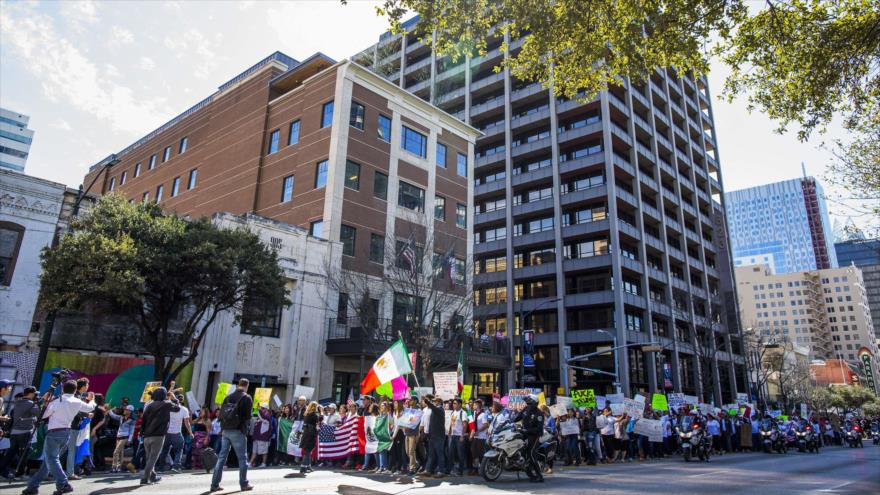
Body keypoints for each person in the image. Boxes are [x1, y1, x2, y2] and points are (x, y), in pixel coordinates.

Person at [21, 380, 96, 495]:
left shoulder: (57, 401)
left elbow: (43, 415)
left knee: (51, 459)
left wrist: (45, 402)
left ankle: (63, 484)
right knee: (49, 462)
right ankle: (32, 486)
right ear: (75, 390)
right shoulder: (77, 401)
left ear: (62, 389)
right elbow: (89, 408)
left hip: (54, 433)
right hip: (67, 433)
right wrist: (92, 400)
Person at [210, 379, 254, 492]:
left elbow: (222, 413)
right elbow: (248, 417)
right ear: (247, 386)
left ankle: (214, 484)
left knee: (221, 458)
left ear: (238, 385)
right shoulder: (247, 397)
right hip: (238, 430)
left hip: (225, 430)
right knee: (242, 458)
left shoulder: (228, 396)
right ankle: (244, 483)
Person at [139, 387, 180, 485]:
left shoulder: (149, 405)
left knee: (149, 458)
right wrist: (174, 399)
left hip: (147, 436)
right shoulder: (167, 404)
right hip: (158, 435)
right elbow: (177, 408)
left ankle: (153, 476)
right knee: (153, 458)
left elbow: (143, 420)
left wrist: (142, 433)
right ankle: (145, 479)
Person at [1, 386, 40, 479]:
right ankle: (20, 474)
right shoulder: (30, 403)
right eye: (34, 394)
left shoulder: (18, 402)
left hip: (14, 432)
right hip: (25, 432)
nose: (35, 395)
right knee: (24, 454)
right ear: (31, 394)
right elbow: (38, 413)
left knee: (11, 453)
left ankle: (2, 470)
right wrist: (38, 403)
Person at [512, 394, 545, 482]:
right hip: (524, 433)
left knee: (530, 453)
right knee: (520, 450)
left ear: (534, 403)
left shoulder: (539, 414)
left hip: (534, 435)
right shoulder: (526, 409)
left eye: (529, 402)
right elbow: (517, 417)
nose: (527, 404)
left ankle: (539, 476)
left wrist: (527, 430)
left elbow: (539, 428)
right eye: (527, 402)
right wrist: (508, 421)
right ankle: (526, 470)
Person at [64, 378, 90, 479]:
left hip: (70, 425)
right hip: (72, 426)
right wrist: (87, 414)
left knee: (64, 449)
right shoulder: (77, 397)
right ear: (83, 386)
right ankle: (70, 473)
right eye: (87, 385)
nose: (87, 387)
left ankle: (49, 470)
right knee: (70, 450)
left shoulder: (75, 396)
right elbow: (77, 411)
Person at [158, 394, 190, 473]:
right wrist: (191, 432)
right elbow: (187, 423)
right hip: (177, 433)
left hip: (167, 433)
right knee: (179, 449)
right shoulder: (184, 409)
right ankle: (176, 466)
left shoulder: (168, 408)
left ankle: (160, 467)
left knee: (165, 450)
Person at [419, 395, 447, 479]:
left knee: (439, 454)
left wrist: (426, 400)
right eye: (433, 401)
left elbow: (432, 407)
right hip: (432, 436)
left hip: (439, 436)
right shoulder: (434, 410)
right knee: (431, 454)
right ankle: (428, 470)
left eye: (435, 401)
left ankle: (441, 471)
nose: (434, 402)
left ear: (439, 402)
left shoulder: (440, 410)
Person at [106, 404, 135, 473]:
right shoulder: (121, 417)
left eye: (126, 409)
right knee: (120, 452)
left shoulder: (132, 420)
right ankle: (119, 467)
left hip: (124, 437)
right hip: (118, 436)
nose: (125, 410)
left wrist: (129, 439)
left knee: (116, 452)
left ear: (130, 411)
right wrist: (109, 410)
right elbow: (113, 416)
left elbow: (132, 430)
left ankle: (114, 467)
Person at [299, 402, 319, 475]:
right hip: (311, 434)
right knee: (308, 451)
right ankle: (303, 467)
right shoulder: (314, 415)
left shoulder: (306, 414)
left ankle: (308, 466)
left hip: (306, 433)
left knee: (308, 451)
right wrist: (322, 413)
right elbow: (319, 420)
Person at [470, 400, 489, 475]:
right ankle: (475, 468)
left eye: (475, 405)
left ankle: (482, 469)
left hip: (481, 437)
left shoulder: (483, 414)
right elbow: (472, 425)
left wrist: (478, 431)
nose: (473, 406)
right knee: (473, 453)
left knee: (480, 454)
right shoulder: (474, 413)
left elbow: (485, 425)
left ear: (478, 406)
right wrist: (472, 433)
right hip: (475, 437)